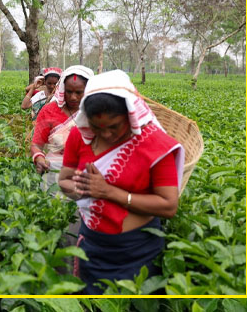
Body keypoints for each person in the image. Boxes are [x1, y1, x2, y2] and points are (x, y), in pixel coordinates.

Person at [58, 70, 182, 294]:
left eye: (114, 126)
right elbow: (64, 180)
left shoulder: (154, 144)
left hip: (137, 250)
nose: (106, 135)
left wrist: (108, 192)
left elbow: (168, 205)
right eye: (97, 127)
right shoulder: (80, 135)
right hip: (92, 247)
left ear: (130, 115)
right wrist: (80, 189)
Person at [31, 65, 91, 193]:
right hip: (54, 171)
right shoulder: (49, 111)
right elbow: (36, 144)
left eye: (79, 92)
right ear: (63, 89)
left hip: (87, 173)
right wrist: (39, 158)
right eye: (69, 92)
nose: (73, 97)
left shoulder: (95, 112)